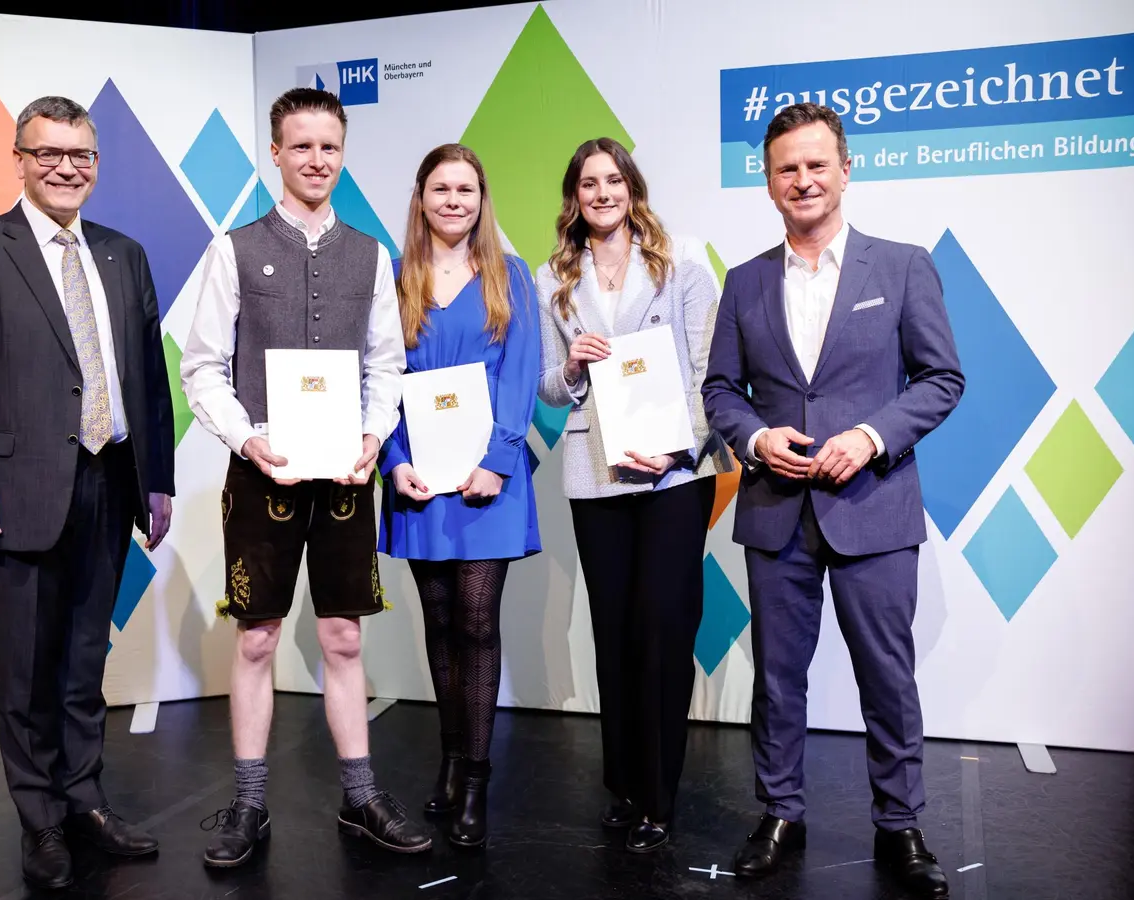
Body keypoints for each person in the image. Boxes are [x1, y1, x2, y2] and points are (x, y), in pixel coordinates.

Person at [701, 103, 964, 898]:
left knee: (888, 674)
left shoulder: (904, 266)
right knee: (779, 677)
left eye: (818, 165)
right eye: (788, 168)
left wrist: (872, 437)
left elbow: (942, 379)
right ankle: (780, 812)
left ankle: (900, 823)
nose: (804, 180)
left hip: (874, 505)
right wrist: (753, 440)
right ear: (769, 181)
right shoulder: (744, 281)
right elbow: (720, 388)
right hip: (777, 507)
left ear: (847, 170)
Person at [0, 96, 175, 889]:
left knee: (84, 660)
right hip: (17, 491)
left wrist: (156, 480)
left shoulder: (124, 253)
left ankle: (84, 800)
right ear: (20, 159)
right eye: (50, 154)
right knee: (26, 668)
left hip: (110, 479)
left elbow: (147, 379)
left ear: (96, 164)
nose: (67, 168)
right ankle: (40, 821)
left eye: (81, 155)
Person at [179, 86, 432, 868]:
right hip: (263, 476)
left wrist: (372, 432)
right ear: (276, 154)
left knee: (344, 635)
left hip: (348, 477)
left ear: (342, 153)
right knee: (256, 640)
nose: (316, 159)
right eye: (301, 146)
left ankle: (360, 798)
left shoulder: (371, 253)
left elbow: (386, 365)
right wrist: (248, 438)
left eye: (329, 146)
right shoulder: (233, 248)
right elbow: (202, 368)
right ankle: (249, 803)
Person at [536, 137, 731, 853]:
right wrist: (576, 367)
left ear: (632, 187)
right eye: (588, 182)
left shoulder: (680, 261)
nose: (602, 192)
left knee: (663, 631)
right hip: (597, 473)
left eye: (613, 179)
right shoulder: (551, 276)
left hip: (675, 474)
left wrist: (686, 448)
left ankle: (659, 794)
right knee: (613, 635)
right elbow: (547, 388)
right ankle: (622, 787)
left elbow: (713, 372)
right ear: (574, 195)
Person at [378, 143, 542, 849]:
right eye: (440, 188)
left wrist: (497, 460)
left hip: (488, 481)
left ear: (482, 199)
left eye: (466, 189)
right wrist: (392, 461)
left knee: (477, 622)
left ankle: (476, 779)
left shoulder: (512, 275)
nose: (454, 200)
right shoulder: (391, 278)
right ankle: (449, 763)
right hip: (419, 478)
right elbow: (375, 379)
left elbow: (523, 372)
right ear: (420, 199)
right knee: (440, 623)